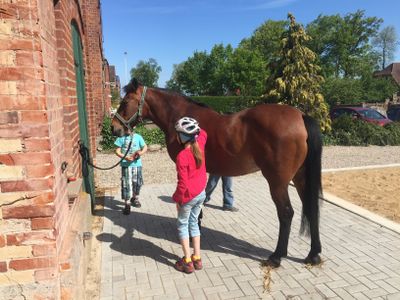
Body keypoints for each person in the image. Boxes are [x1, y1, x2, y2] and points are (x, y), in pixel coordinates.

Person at [172, 117, 207, 274]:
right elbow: (204, 133)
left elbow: (183, 184)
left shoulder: (182, 156)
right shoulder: (200, 145)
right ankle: (197, 258)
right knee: (194, 223)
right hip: (201, 193)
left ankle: (187, 261)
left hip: (188, 197)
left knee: (182, 225)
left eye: (178, 134)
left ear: (182, 137)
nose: (176, 136)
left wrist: (177, 199)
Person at [114, 127, 147, 215]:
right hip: (126, 165)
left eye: (130, 127)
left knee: (137, 183)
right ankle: (127, 203)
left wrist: (140, 153)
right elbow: (117, 151)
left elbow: (145, 147)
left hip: (137, 165)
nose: (128, 129)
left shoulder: (138, 137)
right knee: (126, 183)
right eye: (125, 127)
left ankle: (135, 198)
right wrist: (124, 157)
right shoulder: (121, 138)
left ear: (134, 127)